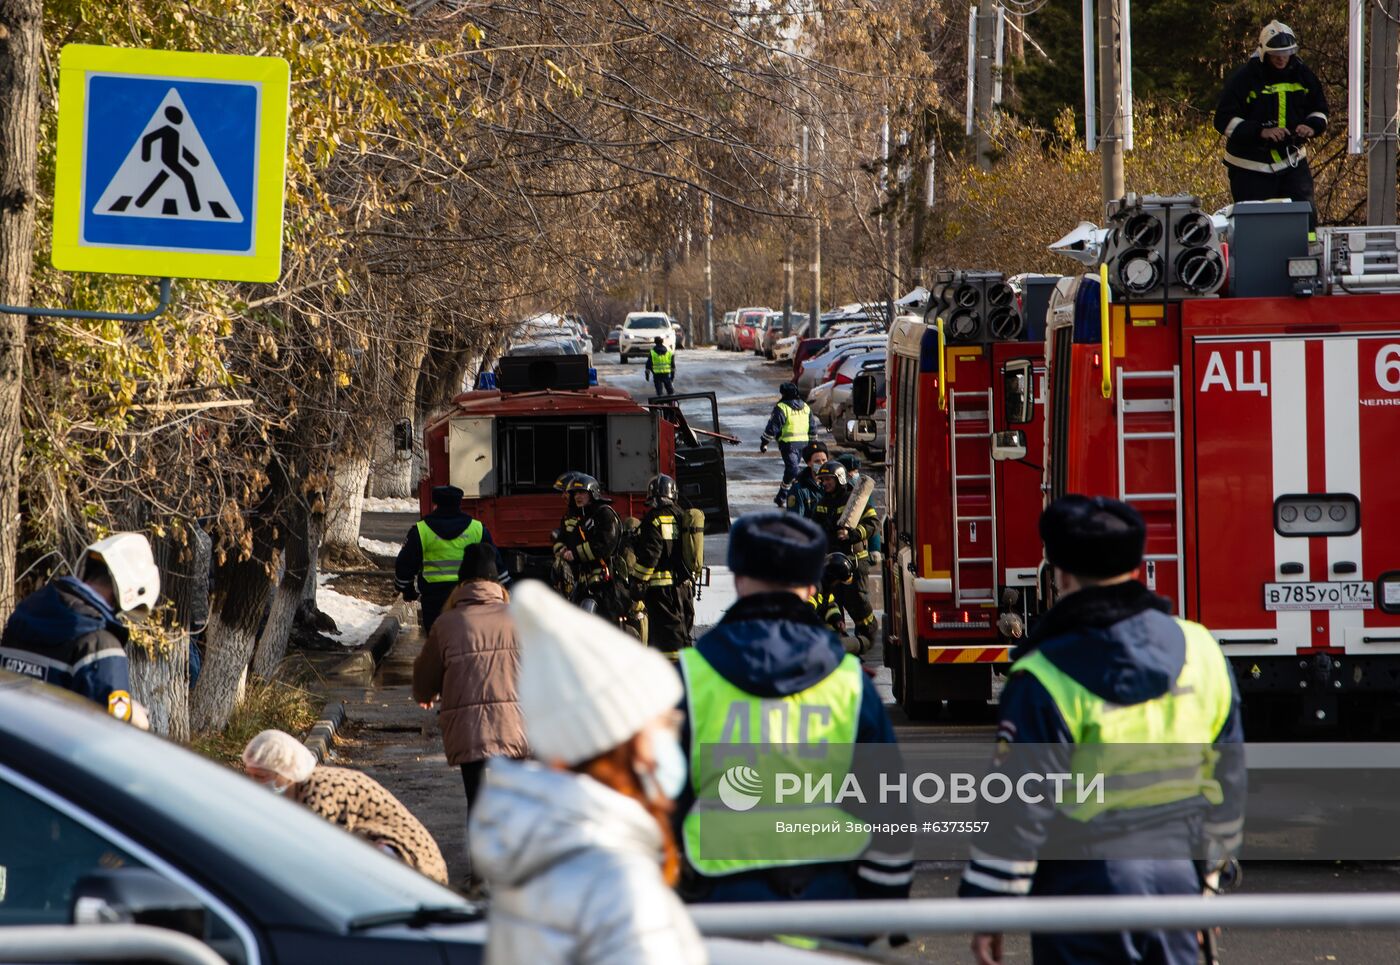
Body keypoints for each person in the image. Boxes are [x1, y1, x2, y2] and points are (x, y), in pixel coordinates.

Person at [959, 496, 1244, 965]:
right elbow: (1228, 782)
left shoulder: (1043, 674)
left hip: (1082, 890)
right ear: (1139, 570)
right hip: (1178, 879)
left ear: (1061, 576)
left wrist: (990, 908)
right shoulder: (1202, 648)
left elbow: (1019, 808)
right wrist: (1208, 885)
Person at [675, 512, 913, 906]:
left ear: (737, 579)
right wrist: (880, 902)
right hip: (829, 908)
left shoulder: (691, 679)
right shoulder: (850, 684)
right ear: (809, 587)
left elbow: (661, 804)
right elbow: (888, 805)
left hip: (724, 908)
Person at [469, 581, 706, 964]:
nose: (672, 738)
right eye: (663, 723)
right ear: (623, 742)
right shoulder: (619, 884)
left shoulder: (547, 855)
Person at [413, 543, 528, 820]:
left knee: (476, 803)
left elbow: (425, 673)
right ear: (497, 583)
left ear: (461, 583)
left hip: (469, 728)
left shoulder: (446, 623)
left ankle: (482, 861)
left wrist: (426, 693)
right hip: (516, 725)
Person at [244, 730, 449, 884]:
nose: (254, 783)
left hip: (414, 865)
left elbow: (319, 852)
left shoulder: (320, 789)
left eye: (261, 777)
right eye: (249, 775)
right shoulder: (297, 790)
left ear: (285, 771)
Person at [1, 533, 158, 727]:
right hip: (57, 754)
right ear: (128, 590)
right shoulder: (100, 644)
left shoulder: (24, 613)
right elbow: (111, 730)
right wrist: (132, 715)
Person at [1214, 20, 1328, 231]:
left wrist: (1311, 126)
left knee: (1305, 222)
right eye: (1276, 53)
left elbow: (1320, 108)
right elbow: (1223, 120)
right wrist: (1260, 132)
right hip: (1250, 167)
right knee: (1255, 228)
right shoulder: (1245, 79)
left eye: (1286, 53)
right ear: (1264, 52)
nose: (1281, 58)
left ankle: (1306, 259)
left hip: (1292, 162)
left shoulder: (1303, 76)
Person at [395, 485, 496, 633]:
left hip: (434, 600)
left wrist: (407, 590)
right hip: (469, 596)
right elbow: (494, 562)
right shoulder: (477, 529)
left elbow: (405, 564)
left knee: (438, 643)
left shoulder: (421, 530)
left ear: (435, 502)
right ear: (459, 502)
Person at [812, 463, 879, 653]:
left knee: (859, 606)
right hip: (831, 567)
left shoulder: (854, 501)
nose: (825, 483)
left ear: (840, 478)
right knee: (831, 606)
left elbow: (873, 524)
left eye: (828, 479)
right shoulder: (822, 503)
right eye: (822, 480)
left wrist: (853, 534)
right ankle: (840, 644)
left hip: (854, 565)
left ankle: (866, 638)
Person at [551, 473, 627, 622]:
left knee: (595, 618)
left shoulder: (604, 514)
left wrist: (575, 554)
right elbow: (562, 538)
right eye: (575, 493)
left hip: (606, 582)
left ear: (592, 493)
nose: (578, 497)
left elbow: (605, 545)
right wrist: (561, 550)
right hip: (583, 582)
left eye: (582, 493)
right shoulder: (575, 517)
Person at [631, 474, 692, 655]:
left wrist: (638, 581)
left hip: (661, 591)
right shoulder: (682, 515)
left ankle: (673, 677)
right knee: (682, 634)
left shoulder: (654, 519)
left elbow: (650, 555)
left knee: (666, 640)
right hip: (684, 587)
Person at [759, 382, 821, 508]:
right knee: (793, 470)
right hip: (789, 446)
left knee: (808, 471)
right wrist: (765, 442)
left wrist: (815, 445)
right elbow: (773, 427)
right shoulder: (790, 407)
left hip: (803, 445)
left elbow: (812, 427)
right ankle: (785, 496)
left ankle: (794, 495)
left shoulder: (793, 407)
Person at [811, 552, 854, 636]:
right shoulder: (812, 588)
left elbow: (829, 605)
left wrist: (837, 620)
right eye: (837, 581)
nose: (837, 585)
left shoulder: (825, 586)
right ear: (832, 578)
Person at [784, 441, 829, 518]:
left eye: (824, 460)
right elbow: (796, 520)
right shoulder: (799, 489)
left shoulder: (834, 483)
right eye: (817, 461)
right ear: (808, 463)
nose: (822, 464)